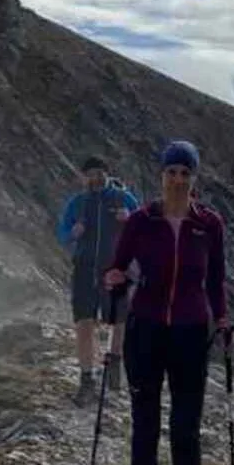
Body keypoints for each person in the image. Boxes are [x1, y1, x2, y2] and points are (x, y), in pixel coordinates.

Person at [103, 140, 234, 465]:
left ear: (194, 179)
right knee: (145, 423)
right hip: (145, 329)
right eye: (172, 172)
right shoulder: (142, 221)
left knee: (185, 430)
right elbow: (118, 266)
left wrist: (223, 321)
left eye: (185, 173)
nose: (178, 180)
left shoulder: (209, 224)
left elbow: (216, 281)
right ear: (161, 175)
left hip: (191, 334)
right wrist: (113, 278)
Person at [56, 156, 140, 406]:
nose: (95, 179)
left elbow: (145, 230)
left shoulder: (124, 199)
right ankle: (87, 380)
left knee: (119, 320)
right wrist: (72, 233)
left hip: (116, 269)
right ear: (84, 177)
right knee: (84, 322)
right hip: (84, 269)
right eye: (90, 174)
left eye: (99, 174)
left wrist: (130, 219)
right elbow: (62, 233)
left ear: (107, 174)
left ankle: (113, 363)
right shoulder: (78, 203)